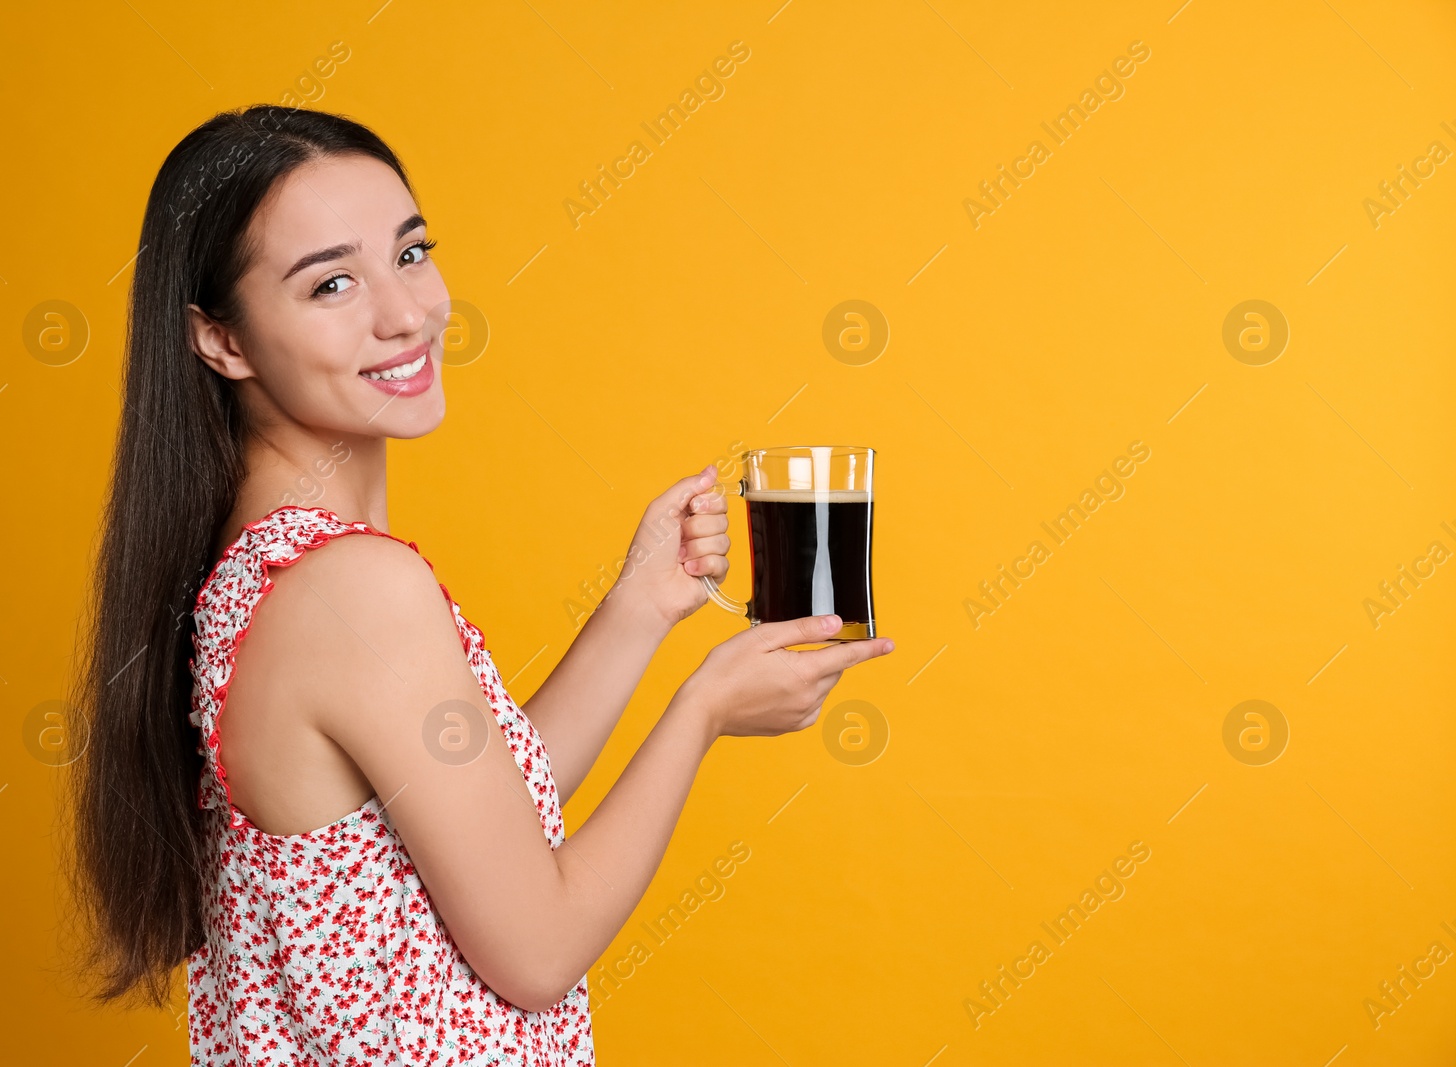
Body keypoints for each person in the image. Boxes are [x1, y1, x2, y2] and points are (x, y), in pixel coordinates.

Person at [70, 104, 894, 1065]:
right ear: (223, 341)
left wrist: (639, 606)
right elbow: (536, 950)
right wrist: (701, 709)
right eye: (332, 282)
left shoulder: (267, 567)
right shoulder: (353, 589)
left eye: (411, 253)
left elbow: (482, 820)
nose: (404, 312)